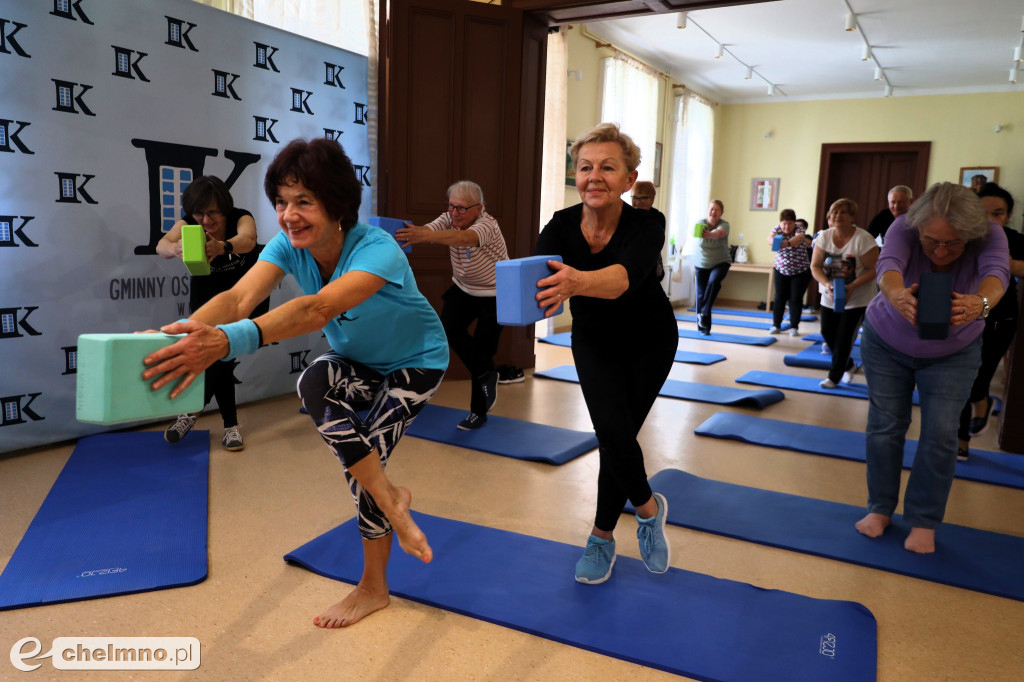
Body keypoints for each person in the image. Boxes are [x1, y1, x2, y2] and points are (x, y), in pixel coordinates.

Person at [142, 138, 448, 627]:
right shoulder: (288, 244)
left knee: (365, 464)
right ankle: (392, 498)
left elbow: (318, 308)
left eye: (304, 201)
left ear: (338, 204)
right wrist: (172, 337)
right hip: (357, 359)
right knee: (314, 384)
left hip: (416, 362)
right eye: (282, 203)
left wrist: (225, 343)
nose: (289, 215)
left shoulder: (378, 248)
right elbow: (239, 298)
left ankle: (373, 587)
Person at [533, 123, 676, 584]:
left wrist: (574, 282)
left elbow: (625, 276)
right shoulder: (558, 224)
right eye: (586, 167)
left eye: (608, 168)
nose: (595, 177)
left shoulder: (647, 224)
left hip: (650, 338)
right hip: (594, 338)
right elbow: (537, 275)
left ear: (629, 180)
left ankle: (601, 536)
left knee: (619, 436)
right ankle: (650, 510)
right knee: (612, 431)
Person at [855, 181, 1008, 553]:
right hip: (886, 341)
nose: (940, 251)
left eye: (952, 243)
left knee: (940, 434)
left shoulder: (990, 234)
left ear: (970, 234)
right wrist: (895, 295)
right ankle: (880, 508)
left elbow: (996, 275)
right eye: (931, 241)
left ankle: (924, 520)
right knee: (885, 425)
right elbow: (888, 265)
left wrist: (981, 305)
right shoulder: (905, 226)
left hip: (954, 351)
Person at [155, 175, 269, 451]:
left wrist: (222, 247)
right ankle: (230, 427)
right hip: (205, 299)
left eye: (212, 213)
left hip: (243, 296)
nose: (205, 221)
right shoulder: (188, 224)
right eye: (199, 214)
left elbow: (249, 240)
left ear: (224, 208)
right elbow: (162, 245)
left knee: (221, 355)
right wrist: (175, 247)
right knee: (219, 359)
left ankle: (192, 412)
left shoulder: (241, 217)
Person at [396, 181, 510, 430]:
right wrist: (412, 233)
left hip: (496, 293)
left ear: (478, 209)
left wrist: (426, 235)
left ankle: (478, 412)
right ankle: (487, 374)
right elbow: (428, 228)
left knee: (482, 349)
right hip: (464, 288)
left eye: (462, 209)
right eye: (451, 207)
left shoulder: (488, 225)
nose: (455, 213)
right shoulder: (449, 218)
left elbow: (464, 239)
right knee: (448, 328)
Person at [957, 183, 1024, 460]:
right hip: (962, 316)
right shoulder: (960, 237)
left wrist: (1006, 263)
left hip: (1000, 319)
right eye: (983, 212)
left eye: (998, 213)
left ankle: (982, 402)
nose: (991, 219)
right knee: (960, 378)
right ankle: (960, 441)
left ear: (1008, 215)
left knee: (979, 377)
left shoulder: (1015, 239)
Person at [810, 198, 879, 388]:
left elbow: (875, 269)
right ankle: (848, 365)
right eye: (834, 212)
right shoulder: (824, 237)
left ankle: (834, 376)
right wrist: (826, 285)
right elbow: (815, 266)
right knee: (827, 332)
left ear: (852, 217)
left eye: (843, 212)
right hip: (830, 294)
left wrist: (853, 286)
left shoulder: (862, 239)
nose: (838, 215)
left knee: (844, 337)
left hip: (857, 296)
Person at [767, 208, 810, 336]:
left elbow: (800, 238)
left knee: (795, 298)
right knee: (779, 297)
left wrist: (785, 244)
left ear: (794, 223)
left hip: (800, 271)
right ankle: (776, 325)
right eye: (784, 223)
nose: (787, 227)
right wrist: (773, 241)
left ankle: (794, 326)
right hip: (781, 270)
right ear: (780, 223)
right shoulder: (777, 229)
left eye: (790, 223)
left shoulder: (799, 229)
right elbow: (770, 238)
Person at [693, 199, 731, 334]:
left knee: (714, 282)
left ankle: (703, 315)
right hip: (702, 263)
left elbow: (721, 233)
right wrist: (706, 233)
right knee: (701, 295)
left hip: (721, 262)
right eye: (711, 209)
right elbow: (697, 233)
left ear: (721, 213)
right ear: (707, 210)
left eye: (717, 210)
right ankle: (703, 327)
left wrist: (710, 234)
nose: (713, 212)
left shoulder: (724, 224)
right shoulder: (700, 223)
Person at [630, 180, 666, 281]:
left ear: (652, 199)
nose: (638, 201)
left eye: (643, 198)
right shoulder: (626, 215)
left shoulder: (658, 217)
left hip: (651, 266)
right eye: (635, 197)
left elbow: (654, 242)